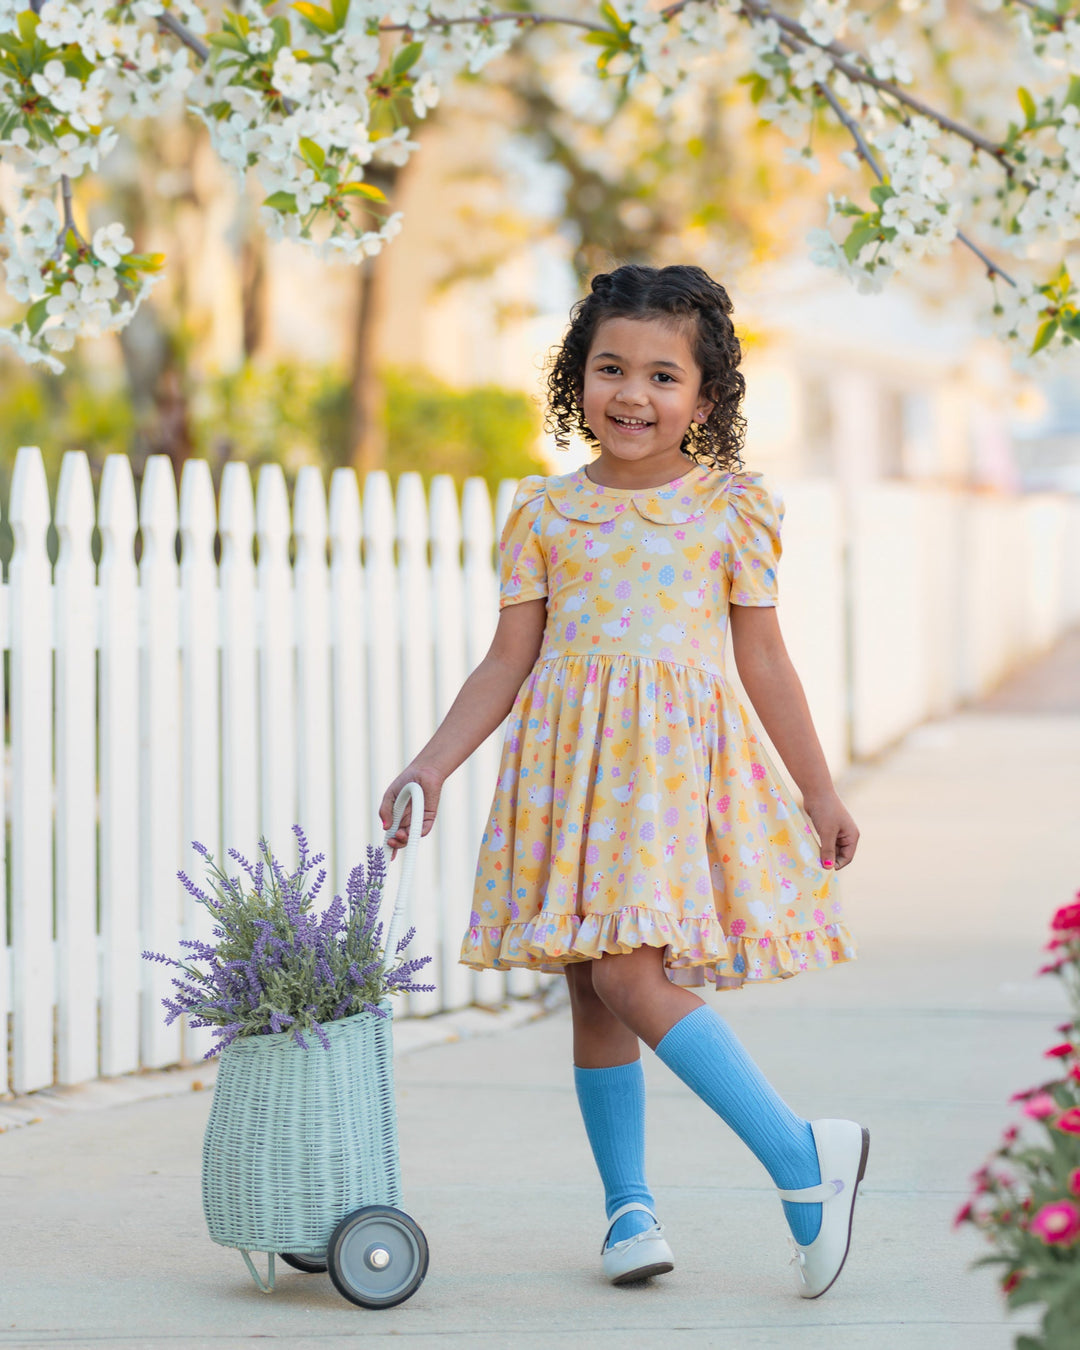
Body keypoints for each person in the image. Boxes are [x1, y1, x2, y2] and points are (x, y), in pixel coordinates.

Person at [379, 263, 867, 1298]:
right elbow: (507, 660)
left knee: (629, 975)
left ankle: (800, 1156)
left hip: (666, 773)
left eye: (662, 375)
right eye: (610, 368)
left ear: (706, 397)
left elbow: (764, 659)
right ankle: (629, 1210)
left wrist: (818, 789)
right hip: (569, 772)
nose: (633, 395)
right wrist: (430, 762)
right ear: (576, 377)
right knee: (588, 985)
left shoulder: (732, 509)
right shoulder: (545, 513)